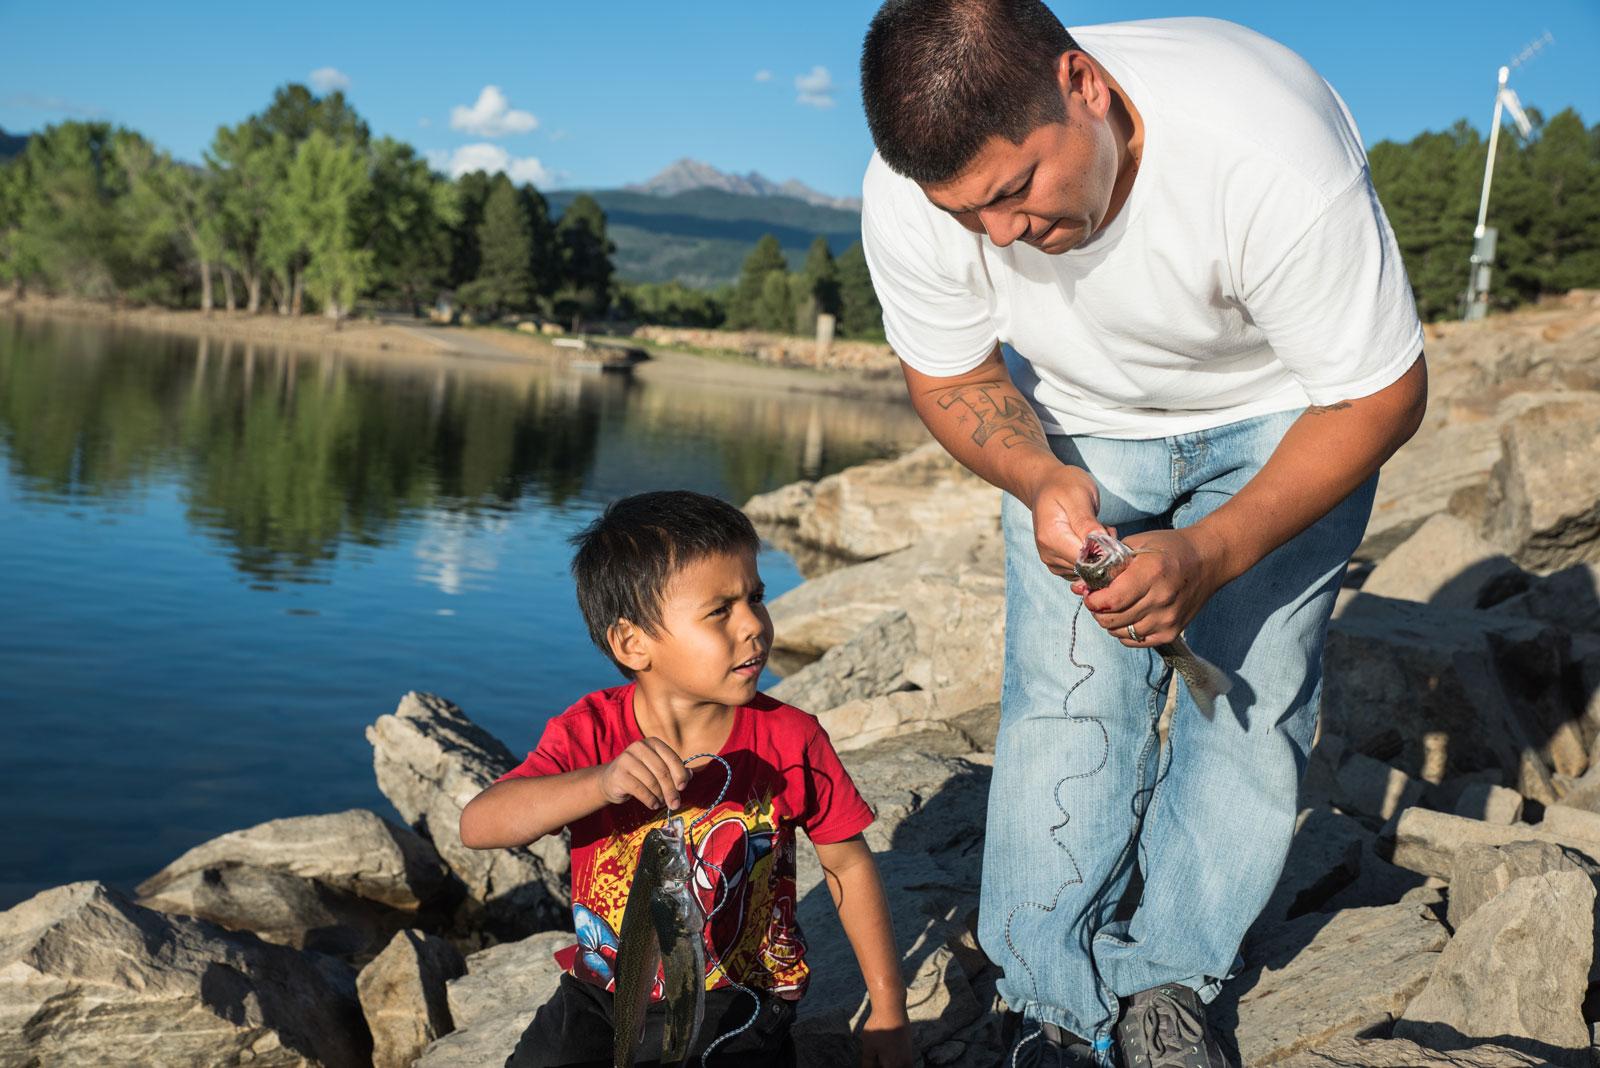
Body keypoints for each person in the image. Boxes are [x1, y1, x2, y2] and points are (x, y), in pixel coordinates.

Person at [857, 2, 1428, 1066]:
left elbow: (1383, 396)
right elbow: (950, 372)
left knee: (1246, 706)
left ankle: (1167, 977)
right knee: (1065, 703)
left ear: (1084, 85)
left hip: (1290, 413)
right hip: (1076, 419)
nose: (998, 237)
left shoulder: (1265, 148)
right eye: (965, 213)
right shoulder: (913, 192)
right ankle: (1045, 1008)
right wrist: (1035, 476)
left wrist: (1213, 553)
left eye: (1015, 192)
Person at [459, 490, 914, 1068]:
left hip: (735, 998)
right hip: (603, 991)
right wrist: (599, 784)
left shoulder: (791, 739)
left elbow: (847, 863)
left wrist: (888, 1008)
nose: (754, 624)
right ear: (633, 643)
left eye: (756, 597)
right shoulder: (590, 733)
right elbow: (479, 824)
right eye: (720, 610)